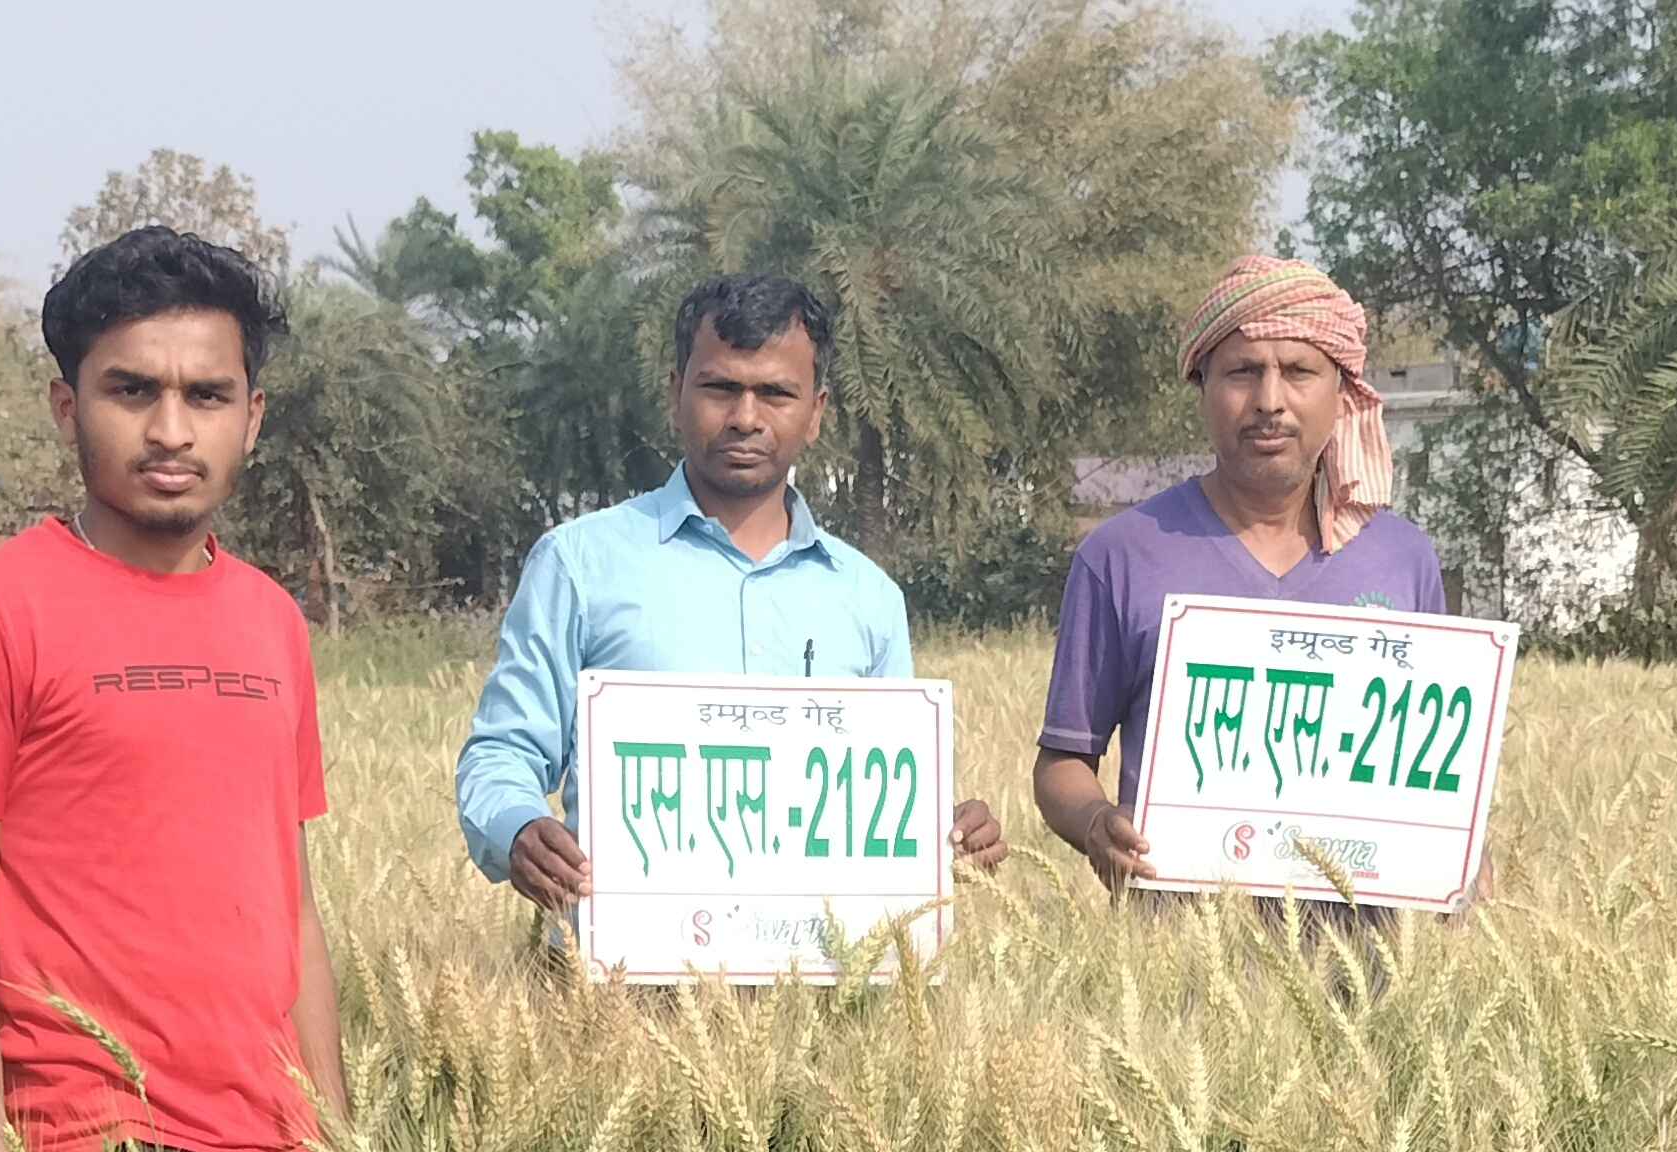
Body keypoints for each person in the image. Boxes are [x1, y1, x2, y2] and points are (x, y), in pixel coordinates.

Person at [0, 225, 373, 1152]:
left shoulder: (273, 623)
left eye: (207, 395)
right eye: (131, 390)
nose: (170, 429)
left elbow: (292, 911)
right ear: (68, 408)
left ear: (252, 416)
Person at [457, 272, 1004, 917]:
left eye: (775, 394)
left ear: (816, 413)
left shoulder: (868, 597)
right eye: (720, 389)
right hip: (623, 971)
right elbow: (503, 752)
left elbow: (879, 797)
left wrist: (950, 834)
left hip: (828, 972)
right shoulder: (579, 565)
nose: (746, 418)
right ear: (676, 395)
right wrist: (518, 829)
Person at [1032, 256, 1449, 898]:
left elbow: (1436, 765)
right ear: (1202, 387)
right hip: (1180, 951)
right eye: (1243, 372)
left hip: (1377, 951)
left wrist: (1459, 853)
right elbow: (1063, 762)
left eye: (1299, 372)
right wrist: (1094, 824)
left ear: (1342, 394)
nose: (1269, 402)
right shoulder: (1121, 555)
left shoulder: (1403, 559)